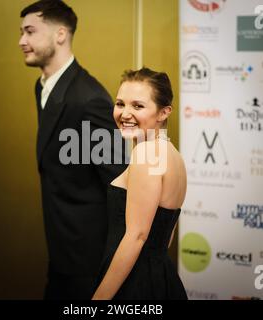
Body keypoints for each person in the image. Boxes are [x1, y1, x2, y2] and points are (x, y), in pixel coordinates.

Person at [19, 0, 126, 299]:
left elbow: (120, 182)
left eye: (30, 31)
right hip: (61, 252)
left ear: (60, 34)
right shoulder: (42, 86)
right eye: (21, 33)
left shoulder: (89, 99)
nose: (21, 41)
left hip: (88, 261)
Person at [92, 68, 188, 300]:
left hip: (135, 284)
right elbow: (165, 235)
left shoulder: (146, 153)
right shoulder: (171, 153)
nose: (125, 113)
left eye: (137, 106)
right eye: (120, 104)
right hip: (159, 276)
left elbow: (137, 236)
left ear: (164, 112)